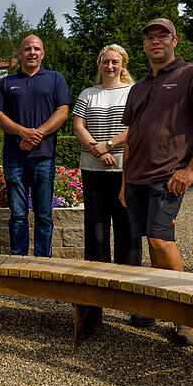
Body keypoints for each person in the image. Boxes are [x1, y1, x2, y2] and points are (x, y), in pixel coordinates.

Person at [120, 18, 193, 345]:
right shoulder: (137, 88)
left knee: (162, 241)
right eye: (149, 37)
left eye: (162, 36)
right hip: (135, 179)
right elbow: (130, 139)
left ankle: (184, 317)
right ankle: (152, 305)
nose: (155, 41)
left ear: (175, 41)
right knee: (150, 243)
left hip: (168, 177)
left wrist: (191, 171)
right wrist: (123, 181)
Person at [71, 44, 143, 332]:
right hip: (93, 169)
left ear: (122, 64)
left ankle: (129, 298)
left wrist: (110, 145)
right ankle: (97, 298)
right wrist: (97, 151)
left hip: (126, 170)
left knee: (128, 230)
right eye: (105, 62)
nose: (110, 67)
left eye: (115, 62)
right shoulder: (88, 94)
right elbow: (78, 126)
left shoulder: (133, 91)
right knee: (96, 231)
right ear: (99, 64)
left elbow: (135, 128)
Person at [0, 35, 73, 257]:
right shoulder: (6, 83)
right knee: (18, 215)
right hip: (14, 158)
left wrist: (36, 135)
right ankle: (19, 260)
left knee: (43, 214)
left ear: (42, 53)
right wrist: (22, 132)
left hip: (44, 157)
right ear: (20, 54)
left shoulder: (55, 79)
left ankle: (42, 261)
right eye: (27, 49)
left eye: (36, 49)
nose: (32, 52)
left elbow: (63, 112)